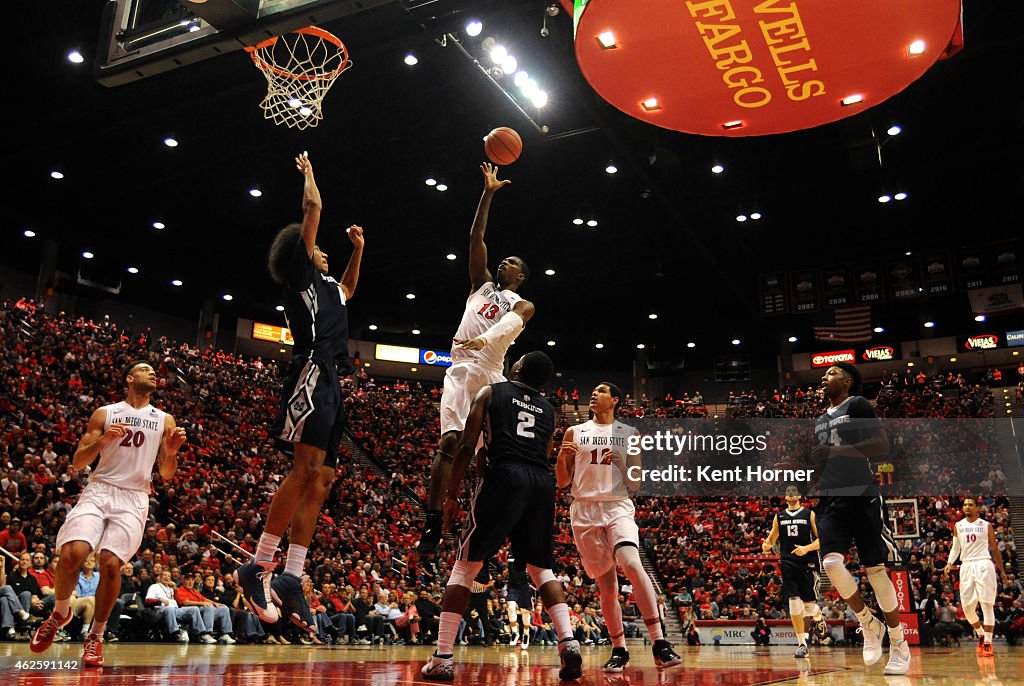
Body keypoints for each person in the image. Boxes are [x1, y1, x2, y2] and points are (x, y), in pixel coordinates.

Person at [236, 152, 365, 635]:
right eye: (320, 248)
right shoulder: (300, 274)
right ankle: (258, 563)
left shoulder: (330, 285)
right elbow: (312, 212)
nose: (324, 251)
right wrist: (310, 174)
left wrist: (358, 250)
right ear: (302, 252)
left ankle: (292, 575)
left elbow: (350, 287)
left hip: (334, 376)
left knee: (325, 478)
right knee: (305, 468)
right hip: (310, 369)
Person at [422, 352, 582, 681]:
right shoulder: (549, 411)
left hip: (505, 475)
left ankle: (442, 657)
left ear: (518, 368)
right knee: (541, 569)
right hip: (540, 482)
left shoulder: (492, 391)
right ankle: (568, 641)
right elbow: (546, 453)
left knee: (465, 567)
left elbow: (467, 446)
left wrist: (451, 495)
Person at [31, 360, 186, 667]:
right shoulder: (105, 412)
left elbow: (167, 473)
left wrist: (172, 452)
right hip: (100, 488)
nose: (153, 373)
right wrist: (103, 441)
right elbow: (78, 461)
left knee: (111, 564)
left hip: (134, 497)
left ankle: (96, 636)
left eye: (154, 371)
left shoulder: (164, 419)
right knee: (72, 553)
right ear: (129, 378)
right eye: (145, 369)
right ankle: (61, 612)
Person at [418, 163, 535, 555]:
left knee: (491, 457)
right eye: (503, 261)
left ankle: (489, 519)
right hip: (459, 370)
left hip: (491, 375)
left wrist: (483, 340)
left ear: (521, 276)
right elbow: (476, 236)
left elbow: (511, 325)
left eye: (512, 263)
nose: (504, 263)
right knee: (449, 442)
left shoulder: (523, 303)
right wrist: (488, 192)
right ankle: (434, 521)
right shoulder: (480, 285)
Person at [555, 382, 682, 673]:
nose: (594, 393)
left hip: (617, 507)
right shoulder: (575, 432)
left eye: (600, 390)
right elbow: (562, 481)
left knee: (632, 564)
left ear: (614, 400)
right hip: (584, 509)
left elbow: (636, 483)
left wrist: (624, 465)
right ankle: (619, 649)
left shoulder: (629, 434)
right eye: (593, 390)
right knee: (607, 585)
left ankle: (659, 642)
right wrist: (562, 457)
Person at [811, 362, 909, 675]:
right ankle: (868, 623)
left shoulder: (858, 405)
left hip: (863, 493)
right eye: (824, 374)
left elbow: (881, 445)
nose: (825, 377)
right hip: (831, 497)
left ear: (848, 381)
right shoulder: (819, 420)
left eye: (832, 372)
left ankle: (898, 641)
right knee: (830, 563)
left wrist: (837, 453)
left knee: (876, 569)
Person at [761, 485, 828, 658]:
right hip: (788, 562)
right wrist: (766, 546)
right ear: (785, 497)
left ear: (799, 496)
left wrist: (806, 548)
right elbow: (769, 541)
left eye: (793, 491)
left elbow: (823, 540)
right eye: (787, 492)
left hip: (808, 562)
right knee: (793, 603)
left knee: (809, 606)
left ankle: (818, 617)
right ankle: (802, 645)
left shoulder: (809, 514)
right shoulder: (779, 517)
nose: (790, 494)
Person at [943, 496, 1009, 657]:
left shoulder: (986, 525)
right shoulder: (958, 526)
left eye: (970, 504)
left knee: (986, 604)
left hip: (983, 564)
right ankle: (980, 633)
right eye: (965, 504)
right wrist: (949, 562)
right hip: (966, 565)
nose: (967, 507)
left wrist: (1003, 571)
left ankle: (988, 643)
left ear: (977, 509)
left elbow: (994, 548)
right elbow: (955, 548)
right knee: (967, 609)